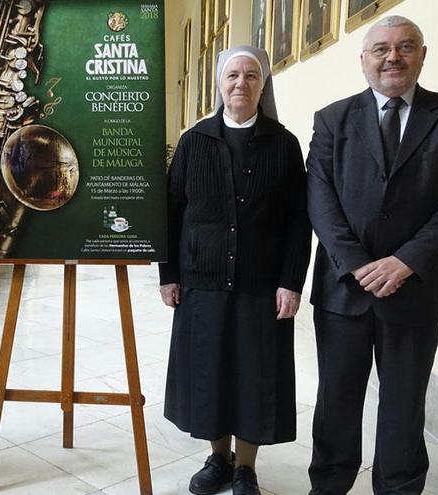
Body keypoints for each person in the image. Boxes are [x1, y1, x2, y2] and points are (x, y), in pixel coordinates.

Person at [306, 15, 438, 495]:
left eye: (406, 47)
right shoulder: (332, 119)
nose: (393, 57)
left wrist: (407, 260)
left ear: (422, 55)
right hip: (344, 288)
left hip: (415, 290)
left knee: (405, 403)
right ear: (363, 59)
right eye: (381, 48)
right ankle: (328, 483)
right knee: (337, 399)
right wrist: (357, 263)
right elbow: (319, 198)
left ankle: (400, 486)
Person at [159, 45, 311, 495]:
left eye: (251, 76)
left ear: (263, 86)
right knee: (210, 374)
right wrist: (168, 274)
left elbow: (298, 220)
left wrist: (291, 281)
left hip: (262, 287)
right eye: (232, 76)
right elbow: (171, 212)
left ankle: (246, 466)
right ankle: (217, 459)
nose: (241, 83)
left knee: (255, 377)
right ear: (220, 85)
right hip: (202, 283)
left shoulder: (283, 144)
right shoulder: (194, 141)